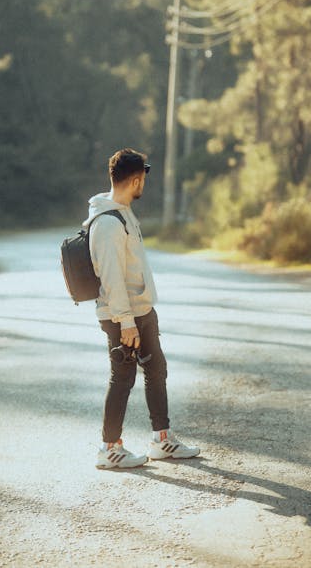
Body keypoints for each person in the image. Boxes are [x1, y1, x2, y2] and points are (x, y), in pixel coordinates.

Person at [83, 148, 200, 469]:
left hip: (140, 310)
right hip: (124, 316)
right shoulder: (107, 224)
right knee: (122, 378)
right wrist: (126, 322)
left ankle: (162, 440)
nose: (143, 185)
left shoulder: (123, 214)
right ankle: (109, 448)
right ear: (135, 180)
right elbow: (111, 278)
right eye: (143, 180)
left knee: (156, 370)